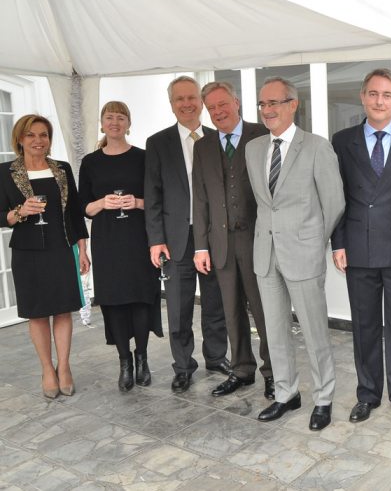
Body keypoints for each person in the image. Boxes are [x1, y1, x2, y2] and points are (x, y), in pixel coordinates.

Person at [245, 77, 345, 431]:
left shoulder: (317, 147)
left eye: (274, 103)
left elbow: (334, 203)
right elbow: (264, 203)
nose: (267, 110)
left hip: (303, 253)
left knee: (315, 332)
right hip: (265, 253)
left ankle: (323, 398)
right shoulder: (253, 148)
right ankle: (286, 394)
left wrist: (313, 240)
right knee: (274, 331)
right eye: (262, 104)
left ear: (293, 104)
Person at [331, 68, 391, 426]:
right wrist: (338, 243)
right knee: (365, 326)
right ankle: (367, 394)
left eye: (387, 95)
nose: (379, 101)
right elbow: (337, 197)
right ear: (362, 97)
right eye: (373, 93)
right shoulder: (343, 140)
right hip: (359, 247)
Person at [144, 76, 229, 393]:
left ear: (201, 102)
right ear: (171, 104)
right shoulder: (158, 143)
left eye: (192, 97)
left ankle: (216, 357)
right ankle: (183, 366)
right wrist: (156, 239)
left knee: (215, 303)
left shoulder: (219, 138)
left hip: (213, 237)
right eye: (179, 99)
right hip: (175, 238)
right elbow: (152, 195)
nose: (186, 104)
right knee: (179, 309)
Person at [192, 81, 274, 400]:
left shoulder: (263, 135)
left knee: (264, 311)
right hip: (221, 244)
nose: (218, 112)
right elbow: (200, 199)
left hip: (258, 240)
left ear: (236, 102)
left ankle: (273, 372)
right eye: (211, 108)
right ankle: (242, 369)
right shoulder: (203, 147)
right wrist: (201, 246)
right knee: (231, 310)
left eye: (222, 104)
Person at [0, 114, 90, 399]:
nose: (38, 140)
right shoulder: (5, 171)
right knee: (37, 313)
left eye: (43, 135)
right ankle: (47, 370)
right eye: (31, 135)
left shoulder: (62, 169)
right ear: (20, 139)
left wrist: (83, 250)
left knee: (63, 310)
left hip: (61, 248)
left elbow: (75, 212)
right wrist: (19, 212)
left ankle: (64, 367)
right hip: (27, 253)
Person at [79, 101, 162, 392]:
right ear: (102, 123)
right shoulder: (90, 162)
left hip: (139, 239)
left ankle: (142, 359)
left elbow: (158, 198)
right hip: (107, 240)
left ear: (129, 123)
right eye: (109, 117)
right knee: (113, 300)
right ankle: (124, 362)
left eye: (121, 117)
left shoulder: (143, 157)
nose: (115, 122)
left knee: (140, 298)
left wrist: (137, 202)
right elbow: (84, 208)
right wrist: (103, 202)